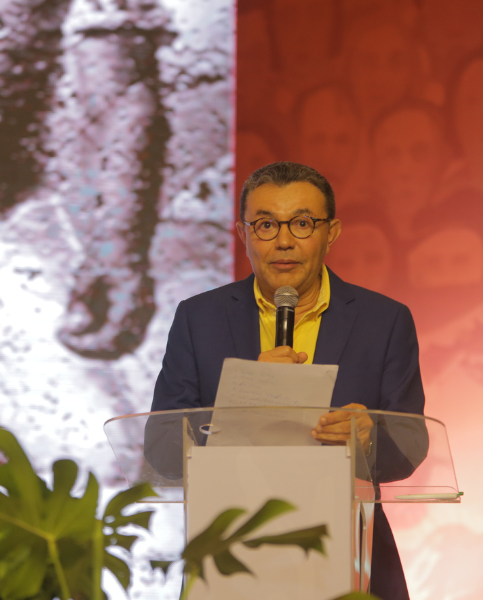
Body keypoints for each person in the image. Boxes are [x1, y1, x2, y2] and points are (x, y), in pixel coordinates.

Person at [151, 161, 425, 600]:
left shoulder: (384, 320)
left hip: (351, 555)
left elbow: (411, 443)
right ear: (242, 235)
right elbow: (160, 448)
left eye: (301, 223)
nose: (283, 241)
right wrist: (238, 408)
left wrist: (369, 437)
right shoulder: (198, 318)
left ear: (330, 232)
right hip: (232, 553)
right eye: (264, 225)